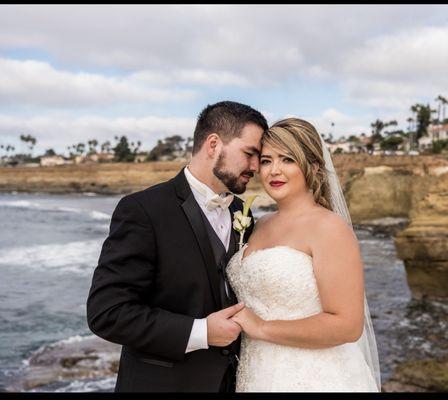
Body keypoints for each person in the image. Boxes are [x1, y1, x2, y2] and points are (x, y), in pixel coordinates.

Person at [86, 101, 268, 392]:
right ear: (213, 144)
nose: (256, 167)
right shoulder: (142, 210)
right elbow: (107, 313)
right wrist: (202, 332)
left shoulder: (241, 213)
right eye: (250, 154)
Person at [225, 118, 381, 391]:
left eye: (287, 160)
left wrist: (261, 328)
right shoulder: (260, 224)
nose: (274, 171)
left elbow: (347, 325)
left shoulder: (329, 228)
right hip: (256, 373)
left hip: (314, 377)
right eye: (266, 161)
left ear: (313, 166)